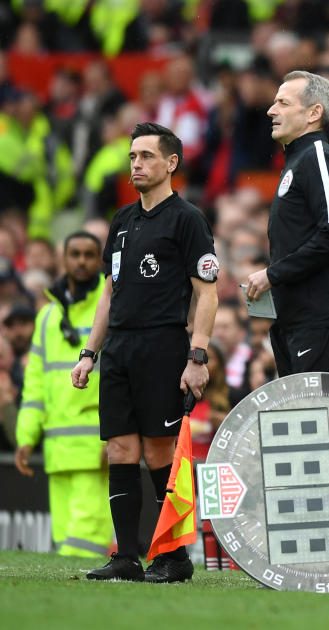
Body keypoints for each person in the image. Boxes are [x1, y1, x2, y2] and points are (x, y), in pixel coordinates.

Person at [71, 122, 219, 583]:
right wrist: (89, 353)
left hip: (162, 344)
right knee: (119, 448)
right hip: (118, 348)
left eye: (147, 156)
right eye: (133, 156)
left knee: (158, 452)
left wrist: (197, 358)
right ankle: (126, 557)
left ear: (171, 163)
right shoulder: (121, 220)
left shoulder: (188, 219)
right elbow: (108, 294)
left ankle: (175, 557)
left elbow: (207, 293)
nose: (136, 164)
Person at [244, 71, 329, 378]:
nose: (271, 111)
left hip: (323, 318)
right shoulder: (298, 161)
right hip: (296, 318)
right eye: (273, 103)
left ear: (314, 113)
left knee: (322, 418)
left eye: (283, 103)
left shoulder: (318, 157)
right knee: (305, 420)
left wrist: (273, 273)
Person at [14, 231, 110, 558]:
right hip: (57, 447)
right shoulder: (47, 317)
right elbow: (35, 384)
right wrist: (26, 436)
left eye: (88, 255)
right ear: (63, 259)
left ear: (100, 260)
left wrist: (115, 436)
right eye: (75, 254)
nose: (81, 261)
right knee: (65, 537)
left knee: (85, 540)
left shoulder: (109, 307)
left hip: (95, 444)